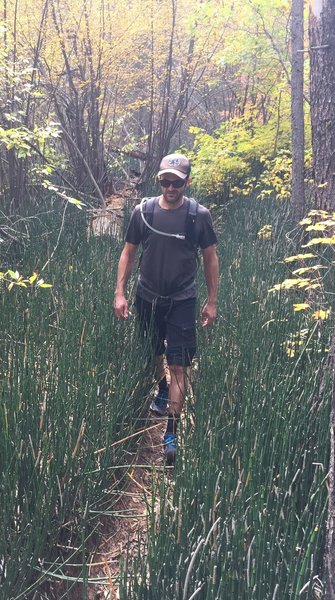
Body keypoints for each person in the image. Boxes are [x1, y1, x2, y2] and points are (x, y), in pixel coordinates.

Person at [114, 153, 219, 465]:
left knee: (179, 367)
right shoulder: (142, 212)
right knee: (152, 357)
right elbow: (128, 253)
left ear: (187, 181)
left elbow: (210, 257)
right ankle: (161, 388)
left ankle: (170, 434)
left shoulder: (198, 215)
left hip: (183, 300)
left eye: (177, 181)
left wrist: (212, 301)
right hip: (147, 298)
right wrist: (119, 292)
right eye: (165, 180)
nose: (170, 186)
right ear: (158, 179)